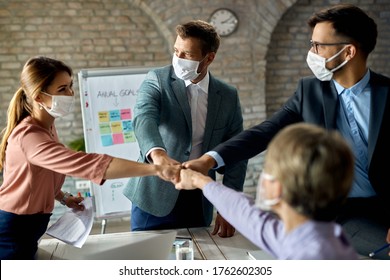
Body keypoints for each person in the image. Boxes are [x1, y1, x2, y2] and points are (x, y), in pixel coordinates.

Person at [183, 4, 390, 259]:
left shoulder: (387, 94)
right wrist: (209, 159)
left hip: (381, 210)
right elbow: (264, 132)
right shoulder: (309, 91)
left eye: (318, 46)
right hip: (327, 210)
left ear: (348, 52)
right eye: (311, 43)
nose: (311, 52)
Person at [0, 56, 180, 260]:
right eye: (62, 89)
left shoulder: (47, 126)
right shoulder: (29, 136)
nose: (71, 94)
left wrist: (63, 197)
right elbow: (85, 164)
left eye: (70, 86)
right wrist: (156, 169)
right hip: (13, 231)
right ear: (39, 97)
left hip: (28, 227)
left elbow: (36, 176)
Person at [123, 20, 247, 236]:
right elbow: (144, 117)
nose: (178, 60)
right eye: (176, 51)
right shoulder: (157, 80)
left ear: (209, 58)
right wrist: (158, 154)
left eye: (187, 55)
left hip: (199, 198)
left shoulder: (227, 96)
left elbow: (236, 152)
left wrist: (229, 205)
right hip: (154, 193)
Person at [176, 123, 359, 259]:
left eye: (268, 168)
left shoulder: (310, 255)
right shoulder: (316, 237)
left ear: (276, 186)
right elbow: (247, 214)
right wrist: (200, 180)